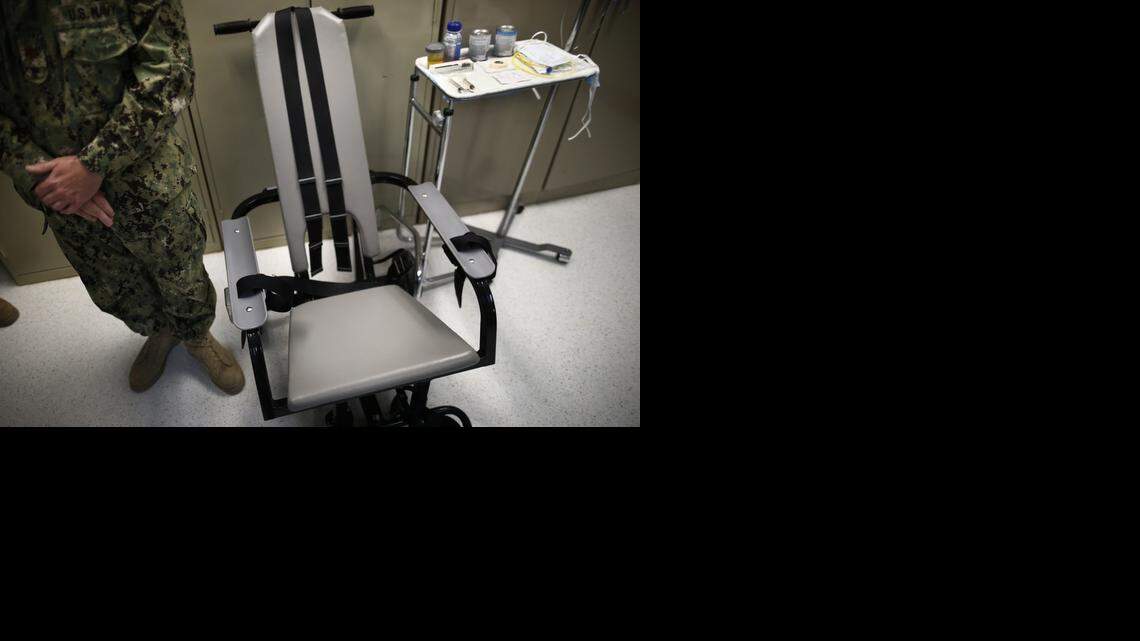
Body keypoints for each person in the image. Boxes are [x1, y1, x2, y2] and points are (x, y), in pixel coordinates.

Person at [0, 0, 243, 393]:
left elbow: (169, 73)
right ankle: (160, 332)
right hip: (61, 199)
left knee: (181, 270)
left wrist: (93, 165)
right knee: (114, 282)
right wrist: (41, 176)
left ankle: (197, 336)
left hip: (147, 180)